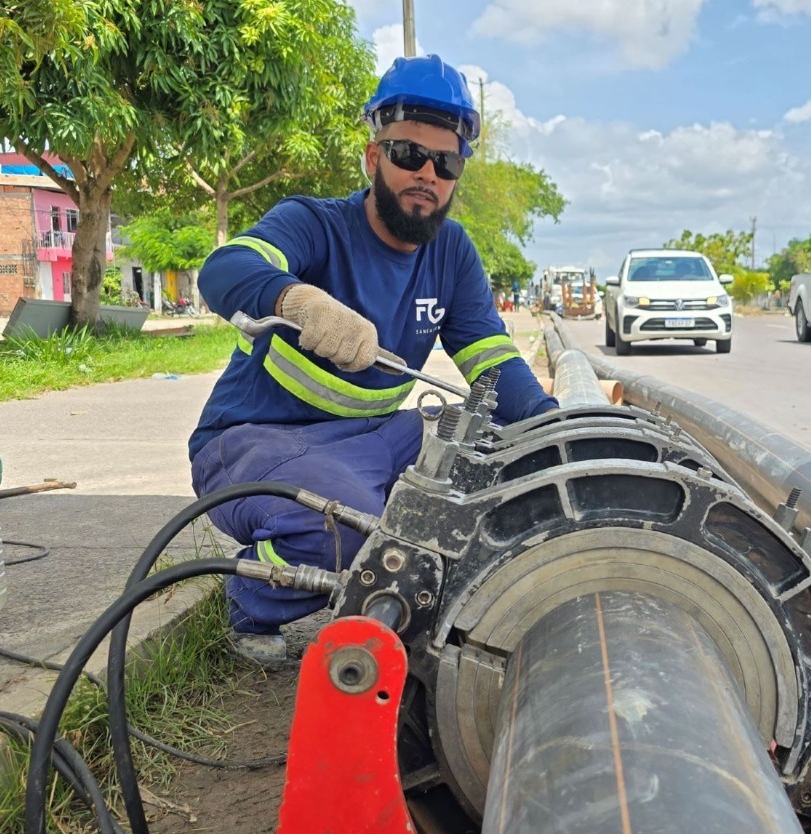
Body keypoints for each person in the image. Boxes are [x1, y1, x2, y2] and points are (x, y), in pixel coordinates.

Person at [190, 55, 558, 666]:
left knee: (501, 466)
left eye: (445, 162)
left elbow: (493, 364)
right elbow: (225, 270)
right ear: (372, 158)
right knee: (351, 533)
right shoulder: (313, 223)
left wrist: (558, 431)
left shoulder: (451, 252)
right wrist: (297, 299)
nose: (427, 174)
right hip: (257, 440)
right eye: (409, 154)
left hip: (373, 439)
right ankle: (254, 594)